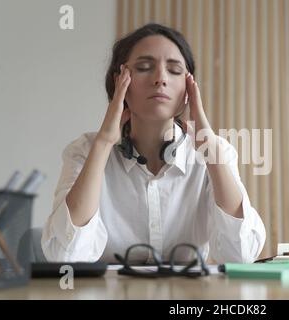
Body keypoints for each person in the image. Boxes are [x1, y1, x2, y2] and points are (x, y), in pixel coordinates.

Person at [41, 23, 266, 264]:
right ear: (120, 83)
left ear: (189, 89)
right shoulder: (84, 151)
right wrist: (104, 143)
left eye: (175, 70)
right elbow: (63, 257)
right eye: (145, 67)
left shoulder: (215, 153)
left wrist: (211, 150)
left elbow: (241, 255)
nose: (160, 78)